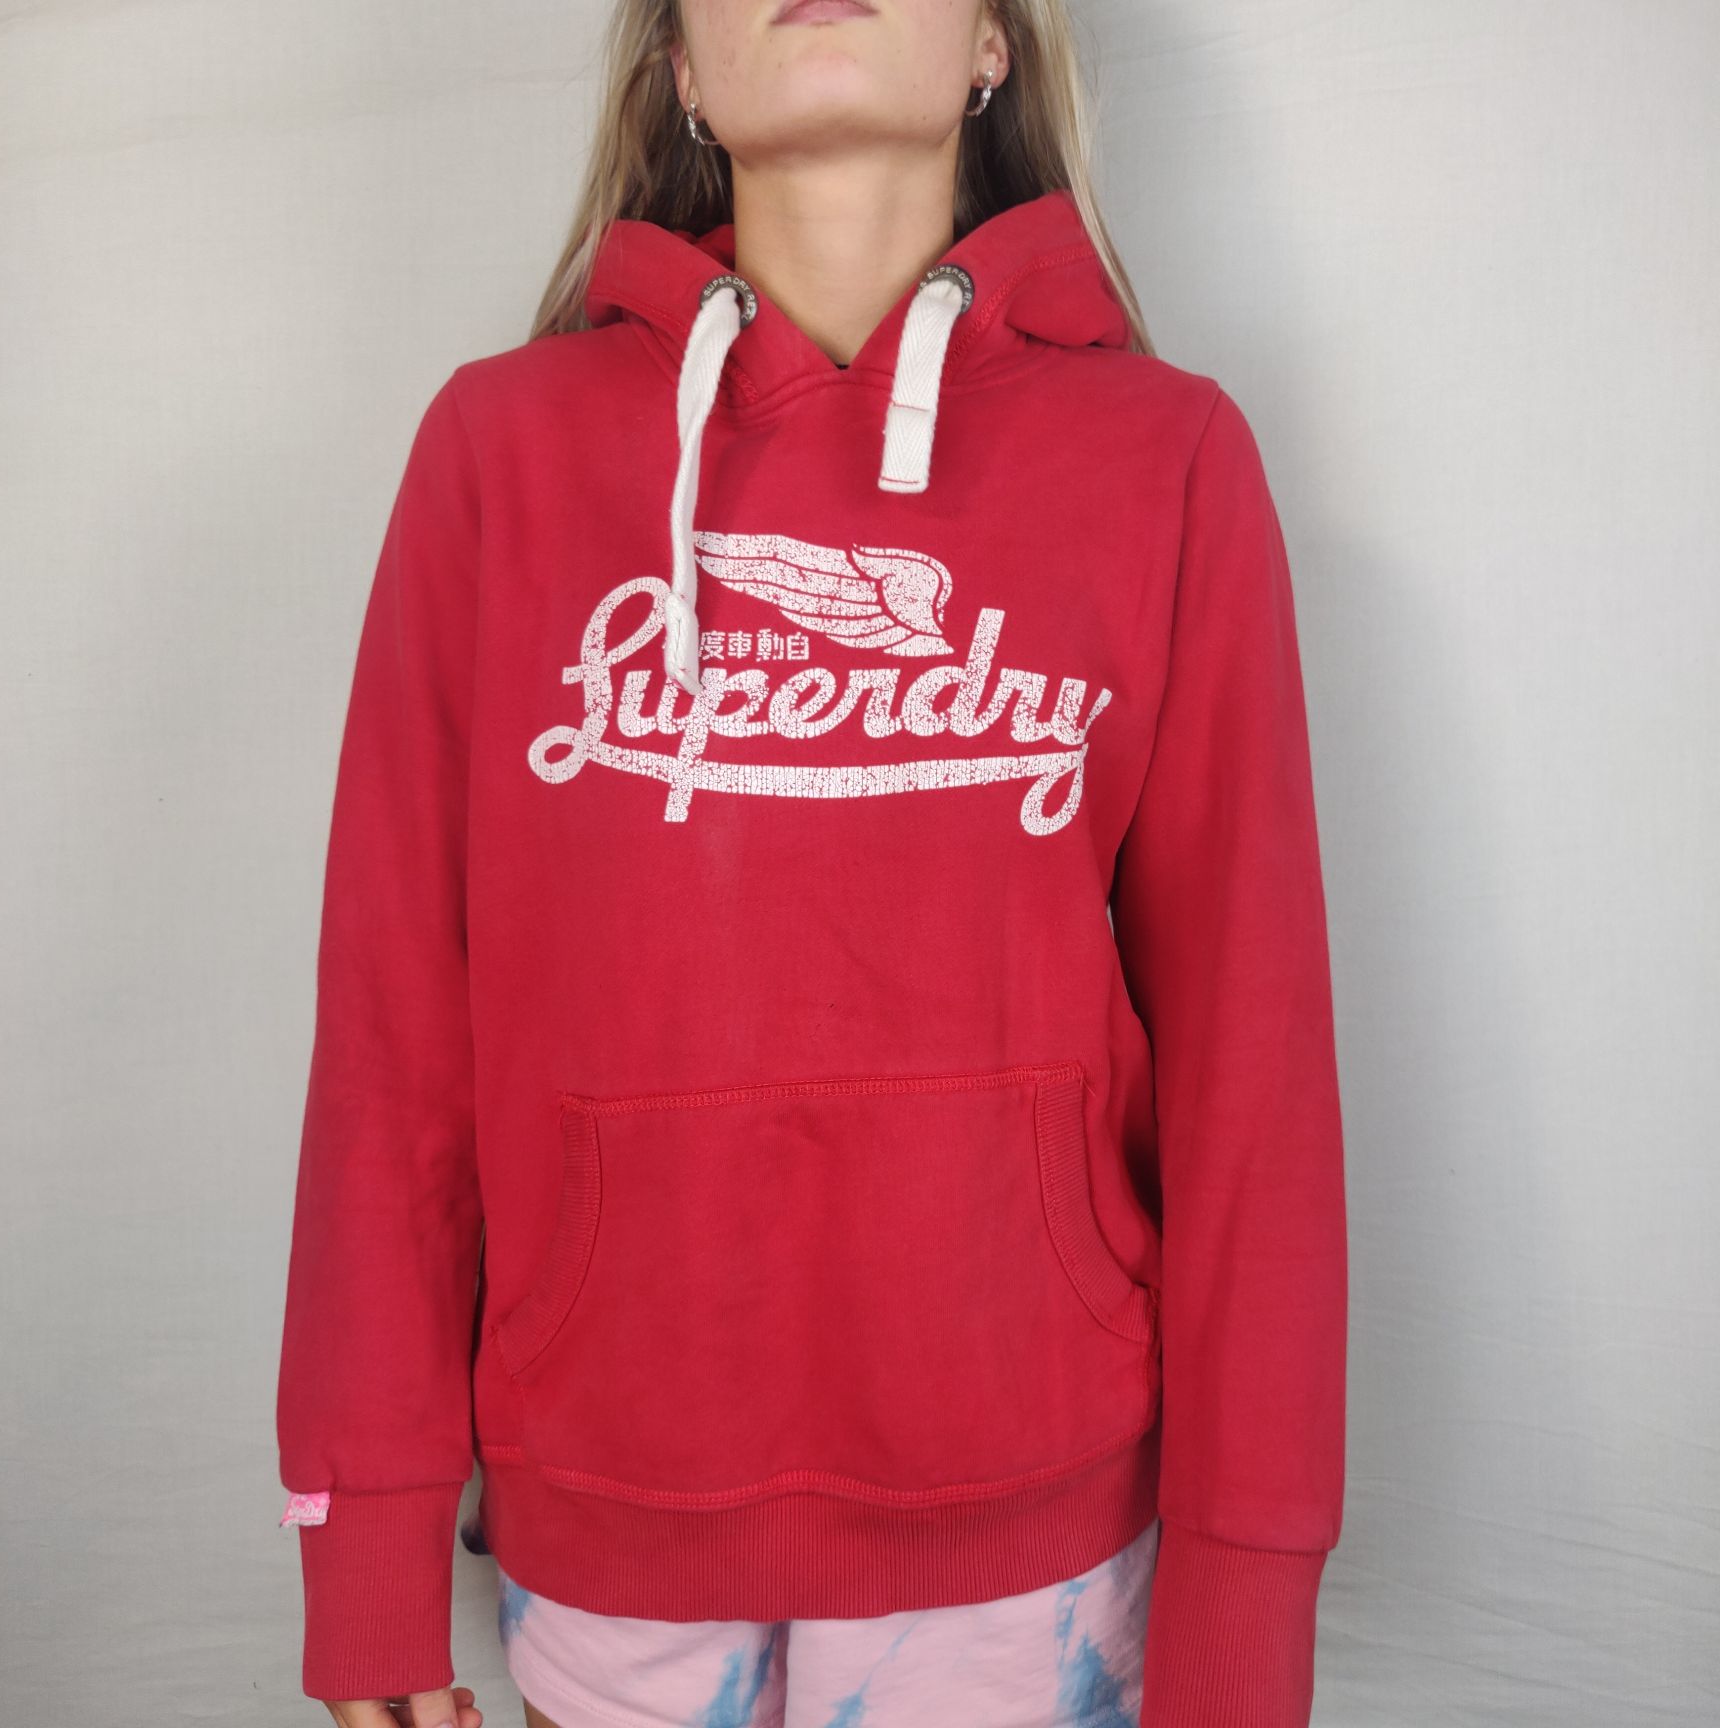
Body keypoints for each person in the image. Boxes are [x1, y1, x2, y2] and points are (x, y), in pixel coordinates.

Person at [274, 1, 1349, 1724]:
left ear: (993, 46)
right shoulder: (500, 451)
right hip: (612, 1513)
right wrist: (367, 1527)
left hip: (1033, 1534)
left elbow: (1256, 1074)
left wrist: (1247, 1587)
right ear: (681, 71)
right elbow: (395, 1038)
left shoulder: (1166, 458)